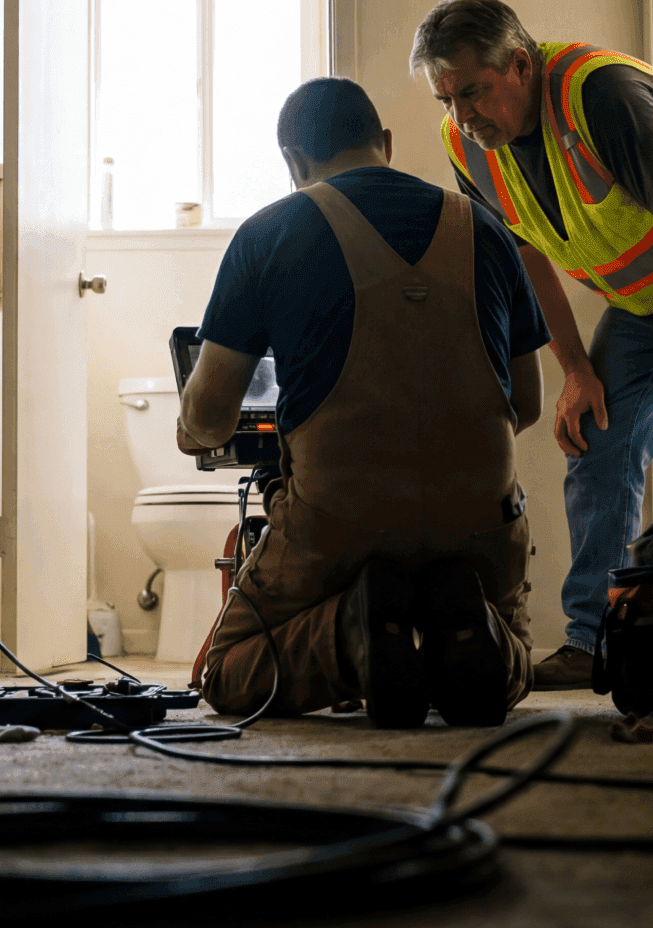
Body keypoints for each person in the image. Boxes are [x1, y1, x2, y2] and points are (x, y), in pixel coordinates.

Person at [180, 77, 551, 727]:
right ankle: (476, 637)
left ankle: (351, 638)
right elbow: (526, 404)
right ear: (384, 142)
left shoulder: (267, 232)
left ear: (293, 163)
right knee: (512, 650)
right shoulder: (488, 230)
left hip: (338, 520)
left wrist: (194, 428)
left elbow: (208, 419)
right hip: (477, 521)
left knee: (226, 669)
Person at [412, 0, 653, 692]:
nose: (463, 117)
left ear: (521, 66)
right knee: (594, 439)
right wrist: (575, 369)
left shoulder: (601, 95)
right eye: (446, 100)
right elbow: (526, 250)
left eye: (475, 92)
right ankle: (594, 642)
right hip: (645, 306)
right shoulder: (468, 145)